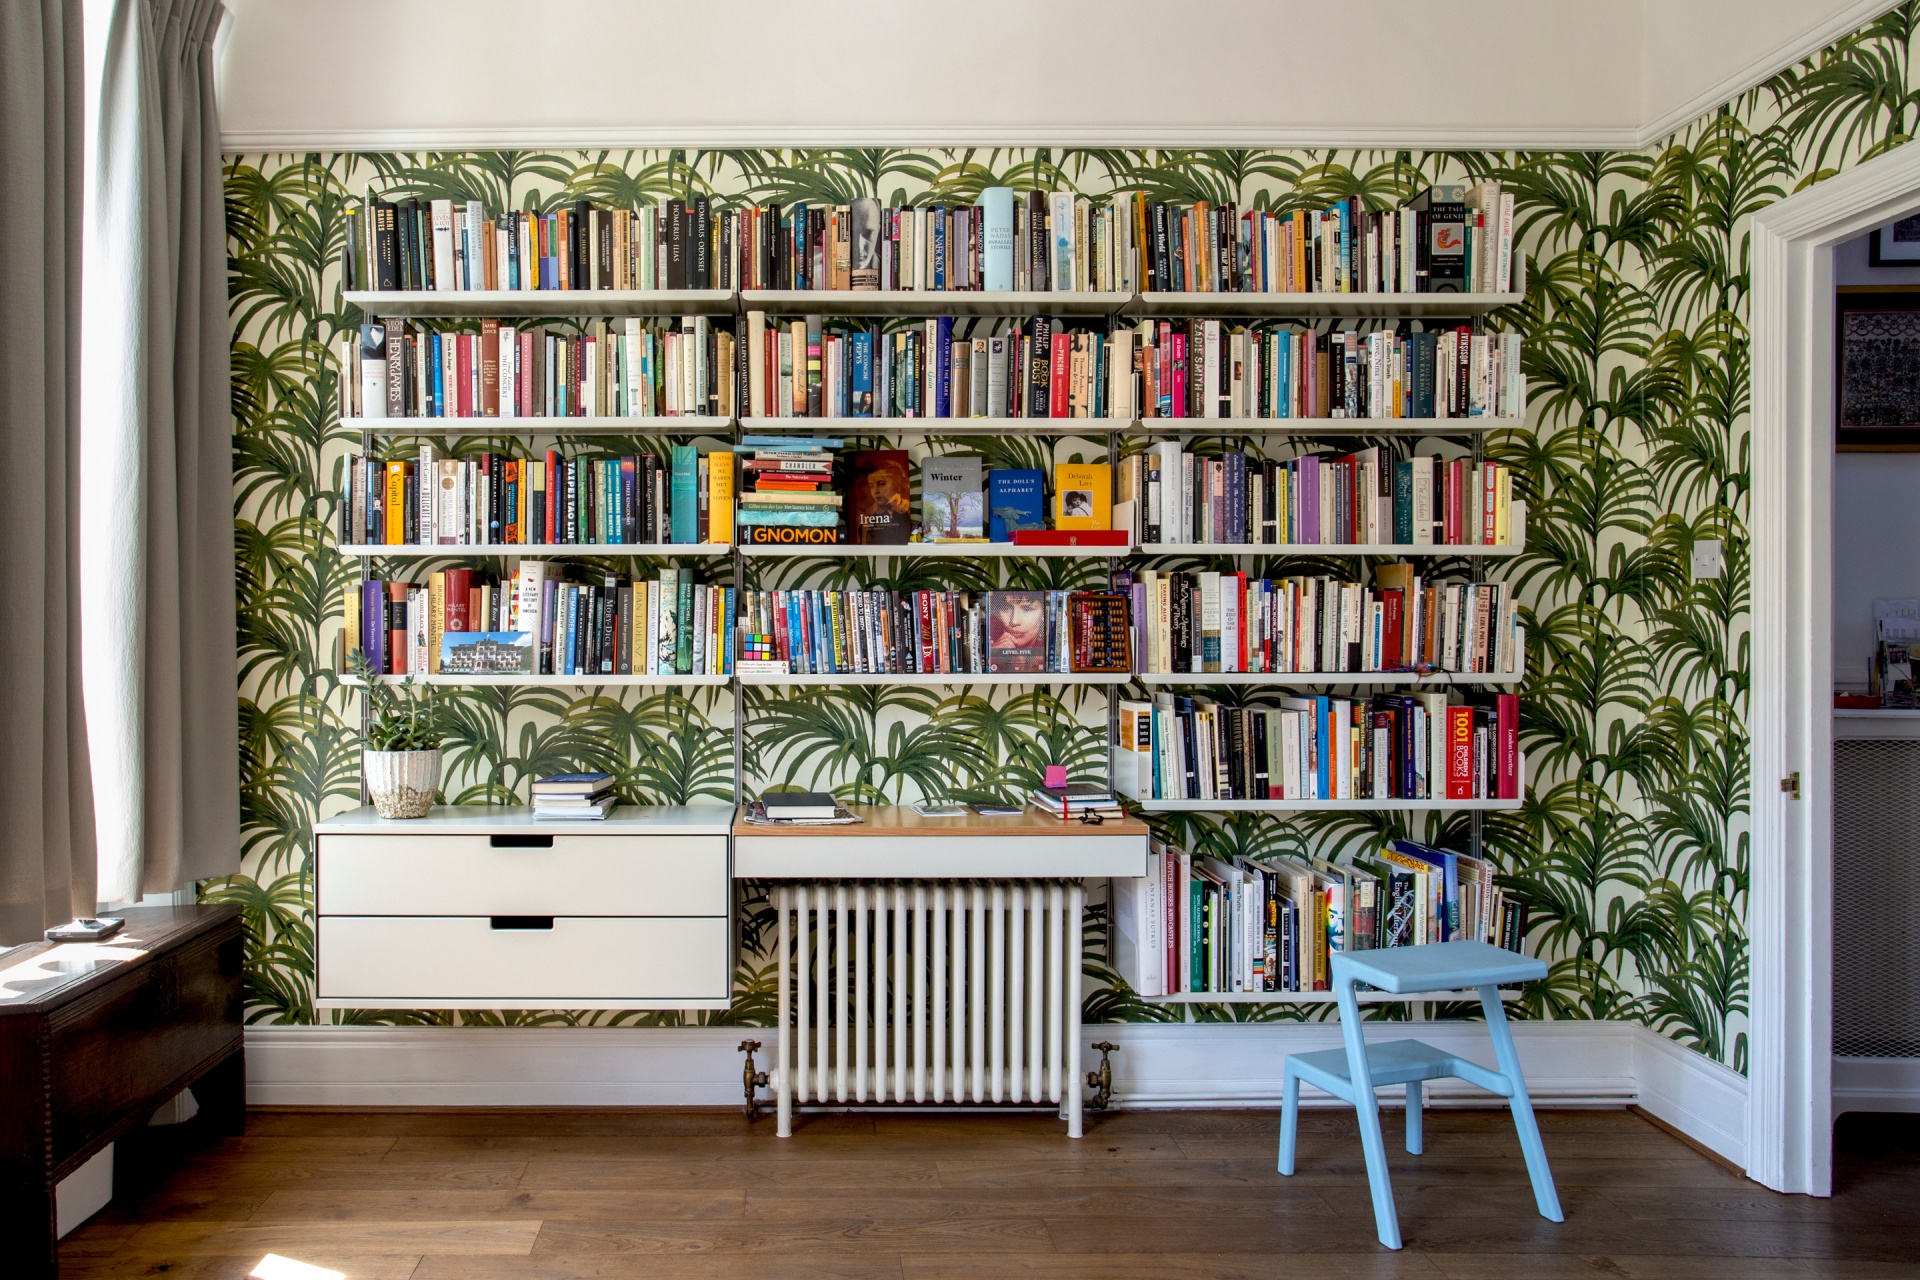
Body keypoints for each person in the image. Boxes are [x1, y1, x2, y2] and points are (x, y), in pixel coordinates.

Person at [989, 592, 1046, 671]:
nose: (1014, 621)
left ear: (1043, 614)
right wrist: (992, 657)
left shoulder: (1049, 652)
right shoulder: (988, 646)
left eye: (1027, 609)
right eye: (1006, 608)